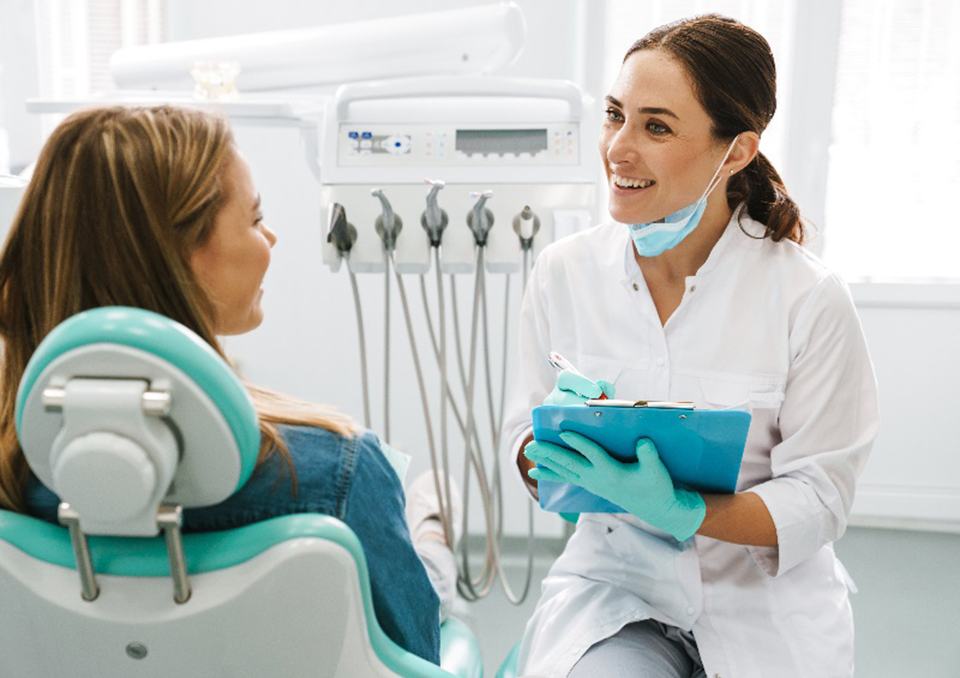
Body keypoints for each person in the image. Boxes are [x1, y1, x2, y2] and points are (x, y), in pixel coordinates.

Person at [0, 105, 458, 664]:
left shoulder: (13, 471)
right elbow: (415, 658)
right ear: (177, 255)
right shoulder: (337, 473)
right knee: (430, 562)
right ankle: (430, 519)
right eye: (254, 218)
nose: (270, 237)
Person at [501, 14, 879, 678]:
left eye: (656, 126)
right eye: (614, 115)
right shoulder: (564, 273)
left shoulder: (809, 298)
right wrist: (549, 450)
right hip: (617, 594)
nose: (618, 148)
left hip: (763, 611)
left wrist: (687, 510)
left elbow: (821, 498)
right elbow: (521, 446)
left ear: (735, 152)